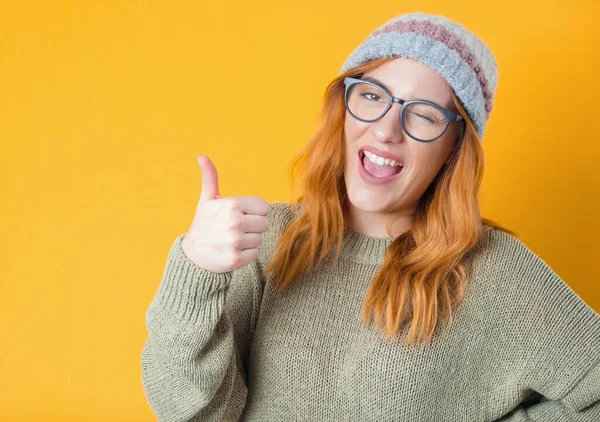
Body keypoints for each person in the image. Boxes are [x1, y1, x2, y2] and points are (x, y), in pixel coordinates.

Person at [140, 12, 600, 422]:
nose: (385, 129)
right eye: (372, 94)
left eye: (422, 115)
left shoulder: (495, 271)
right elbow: (194, 415)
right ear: (343, 107)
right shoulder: (264, 240)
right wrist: (195, 270)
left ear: (453, 148)